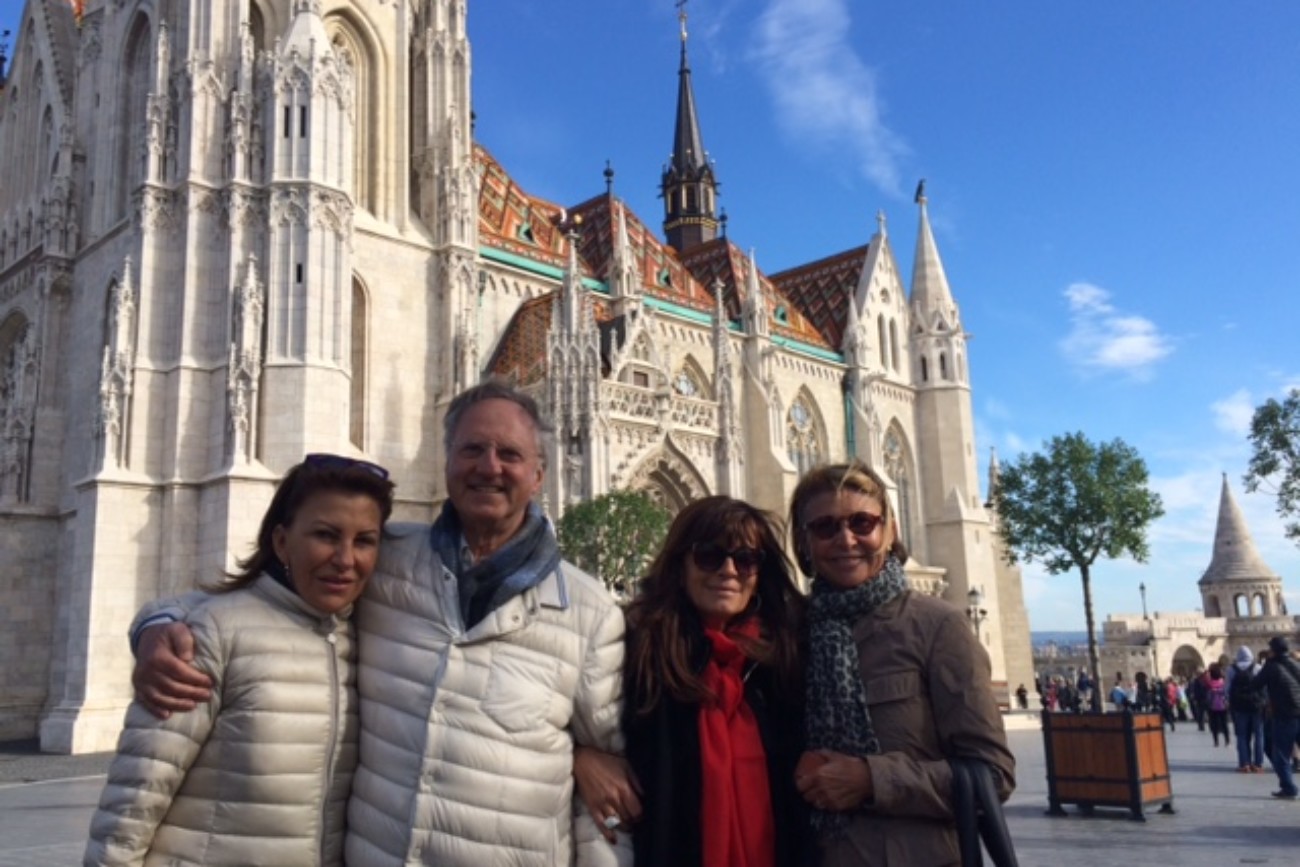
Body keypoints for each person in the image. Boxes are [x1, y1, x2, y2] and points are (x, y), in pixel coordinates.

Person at [131, 382, 627, 865]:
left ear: (539, 475)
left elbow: (611, 789)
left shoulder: (589, 610)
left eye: (510, 454)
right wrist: (157, 626)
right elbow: (264, 601)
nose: (489, 467)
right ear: (446, 462)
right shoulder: (384, 560)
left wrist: (580, 754)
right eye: (472, 449)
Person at [86, 454, 395, 865]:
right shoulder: (207, 635)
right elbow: (133, 802)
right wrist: (154, 624)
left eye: (364, 541)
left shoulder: (365, 636)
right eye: (325, 535)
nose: (344, 559)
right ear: (281, 542)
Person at [787, 462, 1015, 867]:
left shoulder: (937, 627)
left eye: (862, 523)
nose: (846, 539)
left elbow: (992, 776)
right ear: (804, 543)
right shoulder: (791, 635)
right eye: (825, 527)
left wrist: (872, 779)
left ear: (890, 531)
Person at [615, 495, 808, 866]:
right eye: (709, 556)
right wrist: (583, 758)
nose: (728, 570)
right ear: (680, 566)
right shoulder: (639, 651)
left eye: (746, 559)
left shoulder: (785, 661)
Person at [1249, 635, 1300, 799]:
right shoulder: (1296, 664)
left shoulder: (1271, 666)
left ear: (1273, 651)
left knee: (1280, 754)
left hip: (1284, 714)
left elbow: (1255, 684)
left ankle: (1289, 788)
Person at [1227, 645, 1266, 772]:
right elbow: (1263, 687)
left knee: (1242, 735)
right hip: (1256, 705)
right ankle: (1258, 764)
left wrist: (1229, 701)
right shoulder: (1257, 667)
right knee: (1259, 735)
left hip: (1239, 706)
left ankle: (1244, 764)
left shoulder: (1231, 669)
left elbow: (1227, 688)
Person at [1204, 662, 1230, 747]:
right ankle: (1227, 740)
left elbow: (1207, 695)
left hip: (1212, 706)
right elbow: (1226, 694)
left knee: (1214, 724)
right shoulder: (1223, 682)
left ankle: (1216, 741)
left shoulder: (1209, 684)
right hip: (1222, 705)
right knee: (1224, 723)